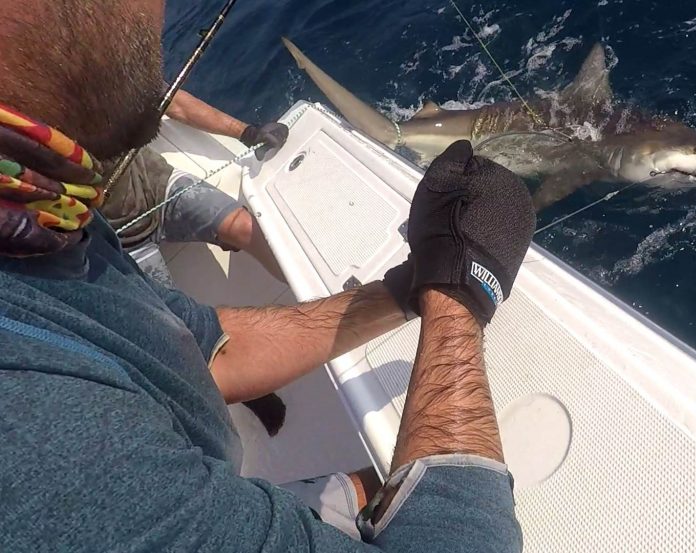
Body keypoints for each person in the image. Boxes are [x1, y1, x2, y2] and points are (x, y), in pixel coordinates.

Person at [0, 3, 536, 553]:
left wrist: (411, 285)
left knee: (384, 479)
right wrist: (459, 292)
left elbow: (203, 347)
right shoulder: (50, 458)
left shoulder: (41, 219)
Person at [104, 89, 289, 285]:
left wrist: (248, 133)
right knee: (166, 310)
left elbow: (175, 104)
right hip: (118, 242)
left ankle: (319, 297)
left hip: (160, 186)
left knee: (245, 227)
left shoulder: (95, 71)